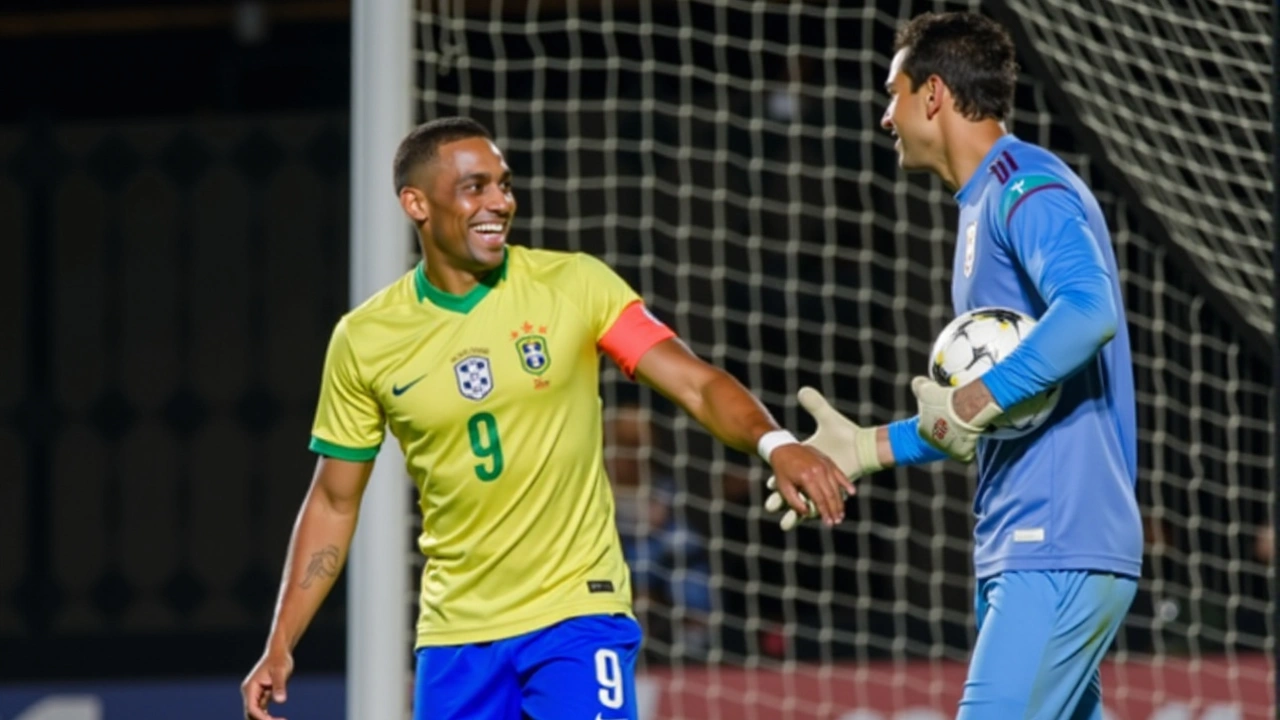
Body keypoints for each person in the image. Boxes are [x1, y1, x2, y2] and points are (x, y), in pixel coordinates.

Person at [240, 116, 854, 720]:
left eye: (503, 184)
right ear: (416, 203)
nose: (499, 202)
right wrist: (281, 642)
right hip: (456, 637)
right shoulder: (366, 339)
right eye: (474, 186)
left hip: (576, 616)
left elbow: (694, 383)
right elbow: (334, 502)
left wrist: (775, 443)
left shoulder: (574, 284)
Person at [766, 12, 1142, 719]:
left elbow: (1089, 311)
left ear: (932, 95)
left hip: (1054, 537)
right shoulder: (982, 203)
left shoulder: (1025, 185)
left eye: (893, 93)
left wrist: (973, 400)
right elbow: (993, 412)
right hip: (1029, 541)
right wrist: (871, 448)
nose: (885, 117)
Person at [605, 405, 716, 657]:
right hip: (618, 561)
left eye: (640, 443)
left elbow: (679, 535)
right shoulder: (596, 485)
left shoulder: (665, 487)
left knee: (686, 569)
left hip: (662, 563)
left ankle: (694, 648)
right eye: (627, 443)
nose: (634, 453)